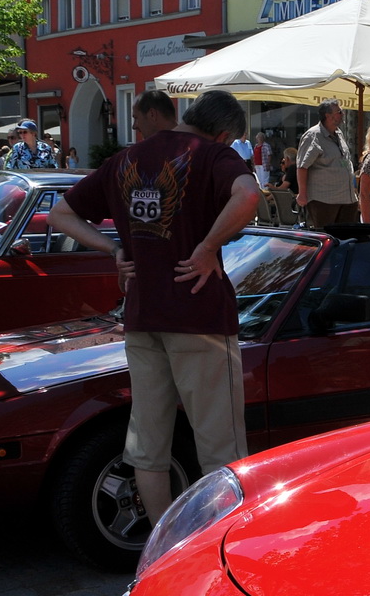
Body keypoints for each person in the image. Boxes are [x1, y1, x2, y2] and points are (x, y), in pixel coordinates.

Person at [46, 89, 260, 521]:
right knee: (222, 447)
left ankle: (162, 547)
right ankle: (214, 547)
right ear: (222, 133)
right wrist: (207, 247)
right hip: (200, 316)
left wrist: (113, 249)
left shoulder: (125, 159)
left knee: (147, 443)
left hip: (142, 315)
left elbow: (60, 213)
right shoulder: (214, 155)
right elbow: (249, 196)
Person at [297, 100, 357, 228]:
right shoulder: (313, 136)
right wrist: (302, 194)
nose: (343, 114)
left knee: (347, 239)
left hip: (347, 198)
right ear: (328, 116)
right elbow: (302, 167)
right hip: (324, 200)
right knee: (327, 238)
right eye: (339, 112)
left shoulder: (339, 133)